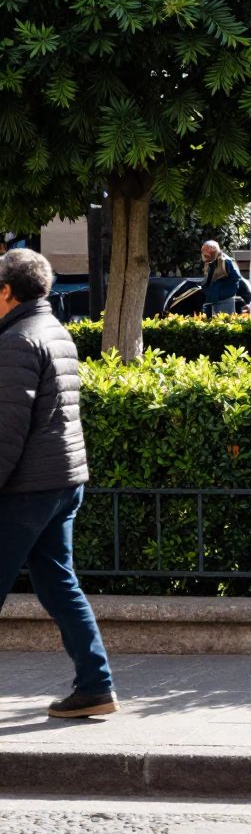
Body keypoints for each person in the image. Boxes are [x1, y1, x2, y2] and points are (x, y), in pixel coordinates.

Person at [0, 249, 117, 718]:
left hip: (25, 489)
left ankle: (96, 685)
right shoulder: (53, 329)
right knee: (58, 584)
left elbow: (7, 429)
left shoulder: (16, 341)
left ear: (7, 291)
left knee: (58, 585)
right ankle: (95, 685)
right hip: (61, 482)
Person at [201, 240, 251, 316]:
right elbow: (208, 280)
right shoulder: (211, 263)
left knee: (225, 321)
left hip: (225, 300)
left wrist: (224, 293)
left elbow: (237, 279)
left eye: (207, 252)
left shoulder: (226, 262)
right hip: (213, 300)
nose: (204, 255)